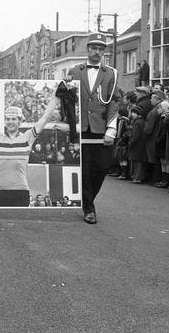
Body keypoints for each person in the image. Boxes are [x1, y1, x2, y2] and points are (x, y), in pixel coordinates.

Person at [0, 87, 58, 206]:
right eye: (8, 119)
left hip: (22, 192)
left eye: (14, 119)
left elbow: (46, 117)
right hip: (1, 192)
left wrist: (56, 96)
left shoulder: (27, 138)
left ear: (20, 121)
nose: (10, 122)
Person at [66, 33, 118, 224]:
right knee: (86, 169)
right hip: (82, 128)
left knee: (103, 167)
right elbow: (67, 100)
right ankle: (89, 208)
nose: (97, 52)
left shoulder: (111, 73)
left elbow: (114, 102)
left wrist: (111, 130)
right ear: (87, 49)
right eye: (94, 48)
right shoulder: (74, 70)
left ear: (104, 51)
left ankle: (88, 199)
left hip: (102, 129)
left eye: (101, 49)